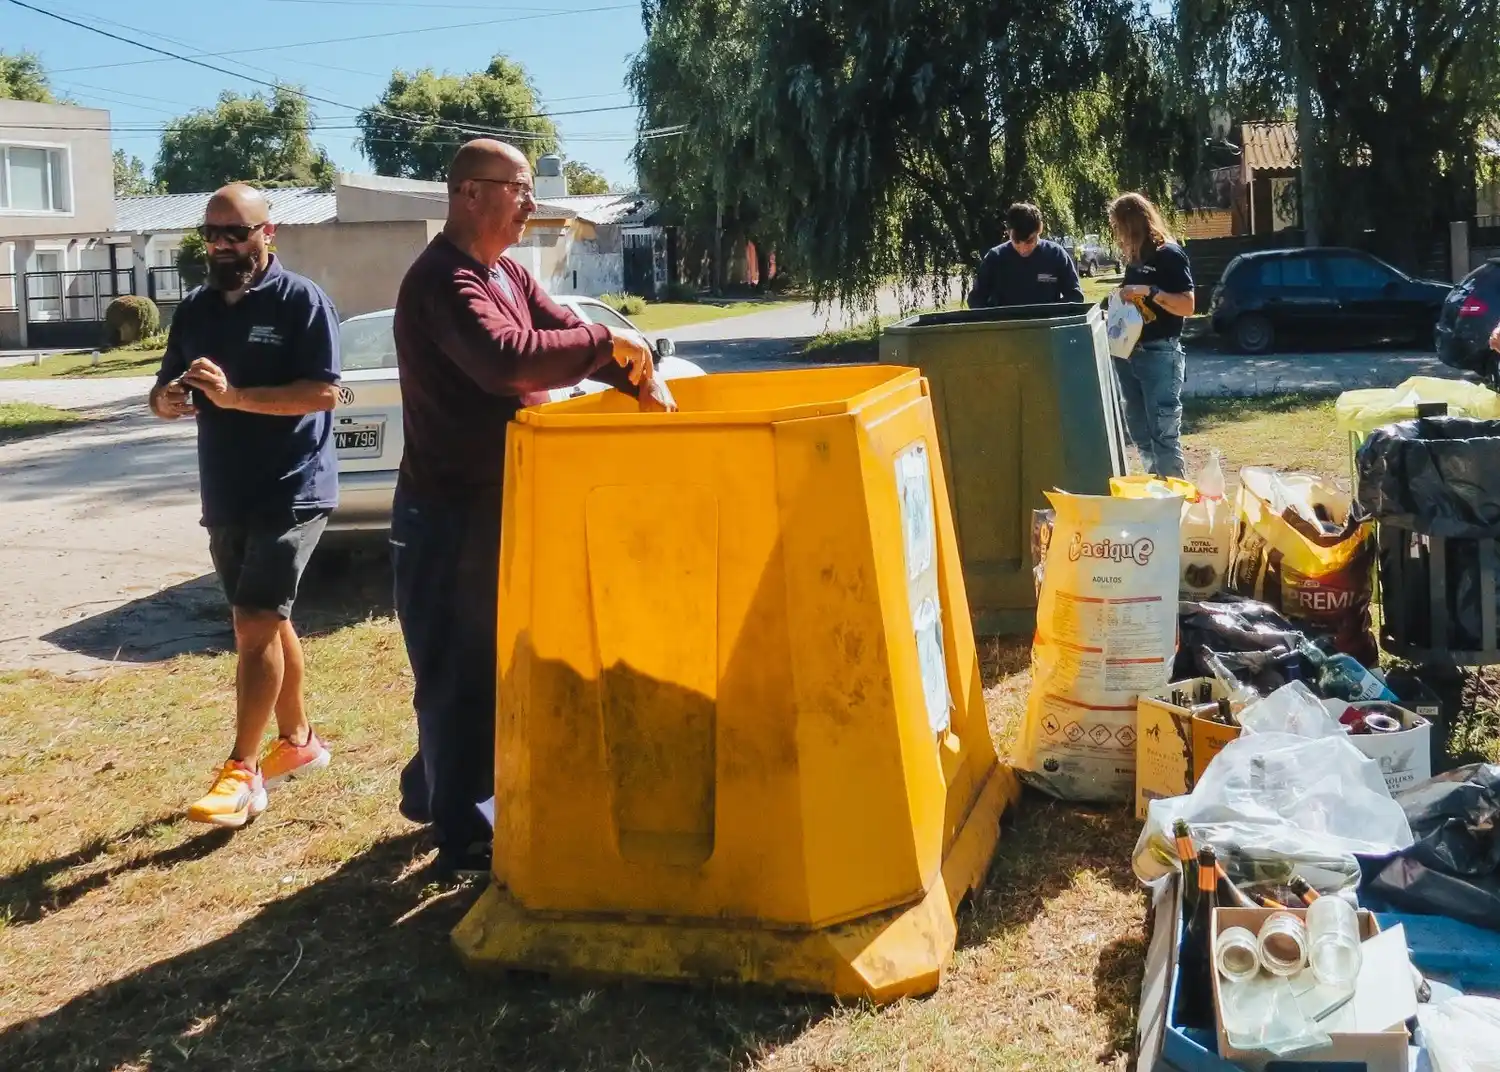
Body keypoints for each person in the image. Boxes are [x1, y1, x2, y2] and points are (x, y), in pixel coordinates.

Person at [391, 138, 676, 876]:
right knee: (458, 674)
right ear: (470, 194)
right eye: (519, 190)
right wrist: (604, 341)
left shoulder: (508, 272)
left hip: (505, 502)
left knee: (502, 663)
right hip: (449, 516)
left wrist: (637, 378)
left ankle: (435, 791)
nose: (531, 205)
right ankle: (463, 840)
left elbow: (562, 337)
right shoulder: (443, 281)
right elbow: (510, 359)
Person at [148, 184, 342, 829]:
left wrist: (235, 399)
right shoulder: (198, 309)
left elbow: (321, 393)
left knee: (255, 620)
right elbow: (163, 384)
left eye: (237, 232)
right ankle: (300, 742)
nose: (223, 245)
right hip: (226, 487)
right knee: (264, 620)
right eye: (213, 234)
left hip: (294, 485)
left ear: (269, 232)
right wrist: (167, 401)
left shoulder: (300, 301)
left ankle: (243, 771)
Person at [1108, 192, 1195, 480]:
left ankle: (1176, 503)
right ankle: (1153, 491)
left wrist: (1150, 292)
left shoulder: (1169, 254)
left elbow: (1188, 305)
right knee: (1140, 432)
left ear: (1132, 223)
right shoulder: (1136, 257)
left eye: (1118, 226)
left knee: (1163, 434)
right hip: (1129, 352)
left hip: (1160, 353)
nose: (1117, 234)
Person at [967, 202, 1085, 308]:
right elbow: (976, 300)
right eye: (1016, 241)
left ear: (1040, 229)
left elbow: (1075, 296)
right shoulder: (995, 258)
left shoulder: (1056, 255)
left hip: (1046, 328)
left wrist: (1052, 314)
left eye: (1029, 241)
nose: (1023, 249)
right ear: (1007, 232)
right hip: (1006, 328)